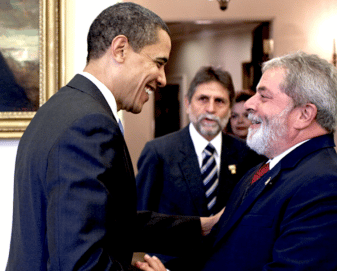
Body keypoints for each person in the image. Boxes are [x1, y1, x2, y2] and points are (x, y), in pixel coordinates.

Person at [6, 3, 221, 271]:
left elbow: (112, 221)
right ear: (120, 49)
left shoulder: (62, 108)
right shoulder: (89, 125)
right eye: (159, 63)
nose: (163, 79)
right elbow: (81, 263)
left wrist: (201, 227)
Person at [138, 51, 337, 271]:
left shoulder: (326, 186)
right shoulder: (264, 169)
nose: (248, 104)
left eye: (263, 96)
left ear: (304, 114)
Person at [136, 66, 264, 218]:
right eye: (203, 99)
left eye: (219, 101)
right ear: (187, 104)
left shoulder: (248, 155)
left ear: (230, 109)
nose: (210, 108)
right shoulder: (159, 153)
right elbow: (140, 219)